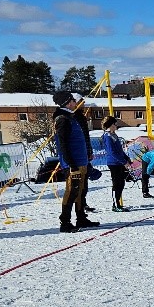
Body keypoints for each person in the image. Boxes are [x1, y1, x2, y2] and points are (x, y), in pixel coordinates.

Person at [53, 91, 98, 233]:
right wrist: (71, 164)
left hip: (81, 160)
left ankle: (81, 218)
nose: (75, 103)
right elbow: (63, 144)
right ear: (67, 102)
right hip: (73, 163)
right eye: (73, 100)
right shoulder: (62, 119)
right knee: (72, 192)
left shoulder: (71, 117)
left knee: (81, 192)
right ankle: (65, 222)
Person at [101, 117, 133, 212]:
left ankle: (118, 203)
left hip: (119, 162)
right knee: (117, 184)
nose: (116, 125)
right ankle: (115, 205)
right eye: (115, 124)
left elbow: (119, 150)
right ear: (110, 125)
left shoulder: (114, 135)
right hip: (114, 163)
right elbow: (112, 152)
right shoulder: (107, 136)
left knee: (121, 183)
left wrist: (126, 158)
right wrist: (124, 162)